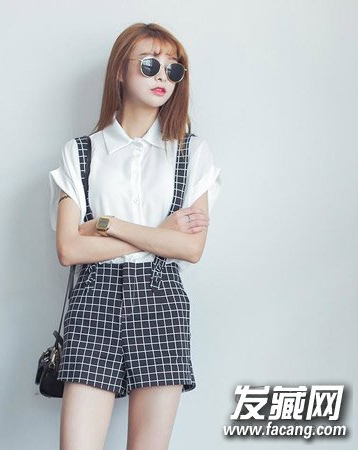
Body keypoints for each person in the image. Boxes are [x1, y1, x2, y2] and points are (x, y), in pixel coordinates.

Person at [48, 22, 221, 450]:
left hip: (161, 299)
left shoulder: (191, 152)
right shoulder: (81, 152)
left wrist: (107, 225)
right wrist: (159, 235)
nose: (163, 76)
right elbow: (69, 249)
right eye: (149, 65)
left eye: (173, 69)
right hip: (95, 298)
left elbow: (190, 247)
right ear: (119, 72)